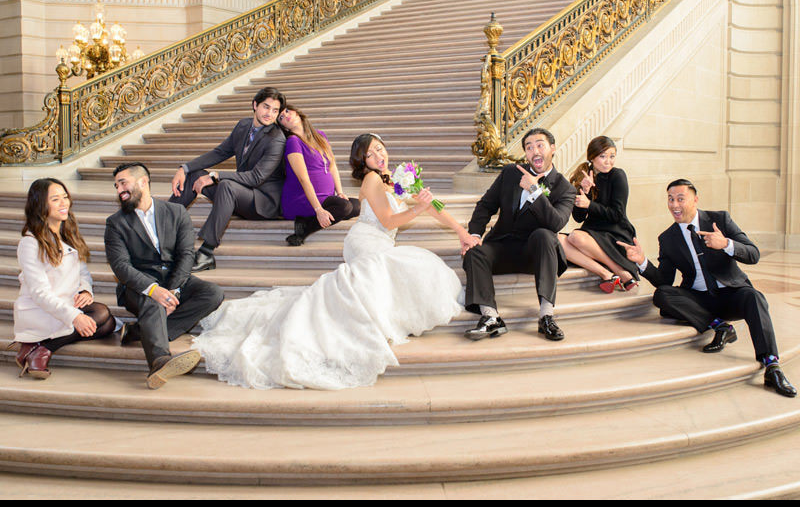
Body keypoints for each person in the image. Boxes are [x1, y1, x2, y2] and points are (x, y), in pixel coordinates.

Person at [192, 133, 472, 390]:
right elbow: (388, 220)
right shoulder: (372, 180)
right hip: (365, 240)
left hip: (384, 242)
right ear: (363, 164)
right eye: (370, 155)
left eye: (379, 149)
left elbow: (433, 205)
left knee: (416, 265)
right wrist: (419, 208)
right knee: (395, 267)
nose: (378, 156)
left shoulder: (396, 180)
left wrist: (461, 231)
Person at [617, 178, 795, 398]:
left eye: (680, 199)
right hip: (699, 299)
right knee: (662, 295)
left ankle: (772, 366)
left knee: (754, 297)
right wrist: (642, 262)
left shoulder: (720, 220)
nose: (674, 205)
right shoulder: (668, 238)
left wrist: (727, 245)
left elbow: (753, 254)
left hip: (731, 294)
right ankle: (720, 327)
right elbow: (664, 279)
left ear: (695, 199)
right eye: (670, 199)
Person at [105, 162, 225, 389]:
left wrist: (173, 291)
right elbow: (121, 266)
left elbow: (186, 254)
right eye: (116, 186)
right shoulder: (115, 223)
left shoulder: (176, 212)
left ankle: (141, 331)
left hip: (173, 280)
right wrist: (154, 290)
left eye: (123, 183)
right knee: (153, 303)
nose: (119, 189)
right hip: (138, 286)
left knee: (212, 293)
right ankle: (159, 361)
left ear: (143, 182)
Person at [462, 127, 576, 341]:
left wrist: (535, 191)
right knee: (474, 252)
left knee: (545, 235)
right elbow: (486, 205)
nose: (534, 151)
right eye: (529, 147)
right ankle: (491, 317)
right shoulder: (510, 173)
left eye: (540, 145)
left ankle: (546, 316)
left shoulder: (564, 188)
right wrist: (475, 235)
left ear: (552, 148)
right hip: (502, 246)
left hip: (536, 255)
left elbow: (556, 223)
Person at [169, 87, 287, 272]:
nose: (270, 114)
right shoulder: (243, 126)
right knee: (194, 174)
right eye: (266, 107)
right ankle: (163, 223)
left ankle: (206, 253)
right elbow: (220, 152)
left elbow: (256, 177)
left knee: (226, 185)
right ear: (255, 105)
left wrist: (216, 175)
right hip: (239, 194)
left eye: (275, 110)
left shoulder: (276, 138)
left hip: (262, 201)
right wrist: (184, 168)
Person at [12, 178, 116, 378]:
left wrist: (85, 290)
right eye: (55, 199)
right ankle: (43, 350)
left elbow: (83, 272)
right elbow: (40, 294)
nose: (64, 203)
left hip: (65, 303)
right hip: (42, 309)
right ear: (40, 205)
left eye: (65, 197)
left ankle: (37, 348)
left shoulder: (68, 234)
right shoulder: (30, 243)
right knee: (101, 316)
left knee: (107, 321)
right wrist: (75, 316)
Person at [559, 135, 639, 293]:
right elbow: (579, 218)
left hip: (615, 232)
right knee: (558, 240)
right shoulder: (584, 177)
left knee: (575, 237)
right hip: (593, 233)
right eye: (603, 156)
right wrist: (586, 192)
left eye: (612, 156)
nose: (608, 161)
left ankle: (621, 272)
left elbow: (617, 214)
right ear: (592, 158)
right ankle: (607, 274)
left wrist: (590, 204)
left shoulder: (618, 175)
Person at [277, 104, 360, 245]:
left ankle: (306, 222)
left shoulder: (320, 135)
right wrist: (318, 209)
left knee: (356, 205)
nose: (286, 116)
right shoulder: (293, 142)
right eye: (281, 118)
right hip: (302, 199)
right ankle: (303, 231)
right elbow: (303, 179)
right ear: (284, 127)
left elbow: (332, 165)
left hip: (324, 196)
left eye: (286, 111)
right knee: (344, 207)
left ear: (296, 112)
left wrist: (340, 192)